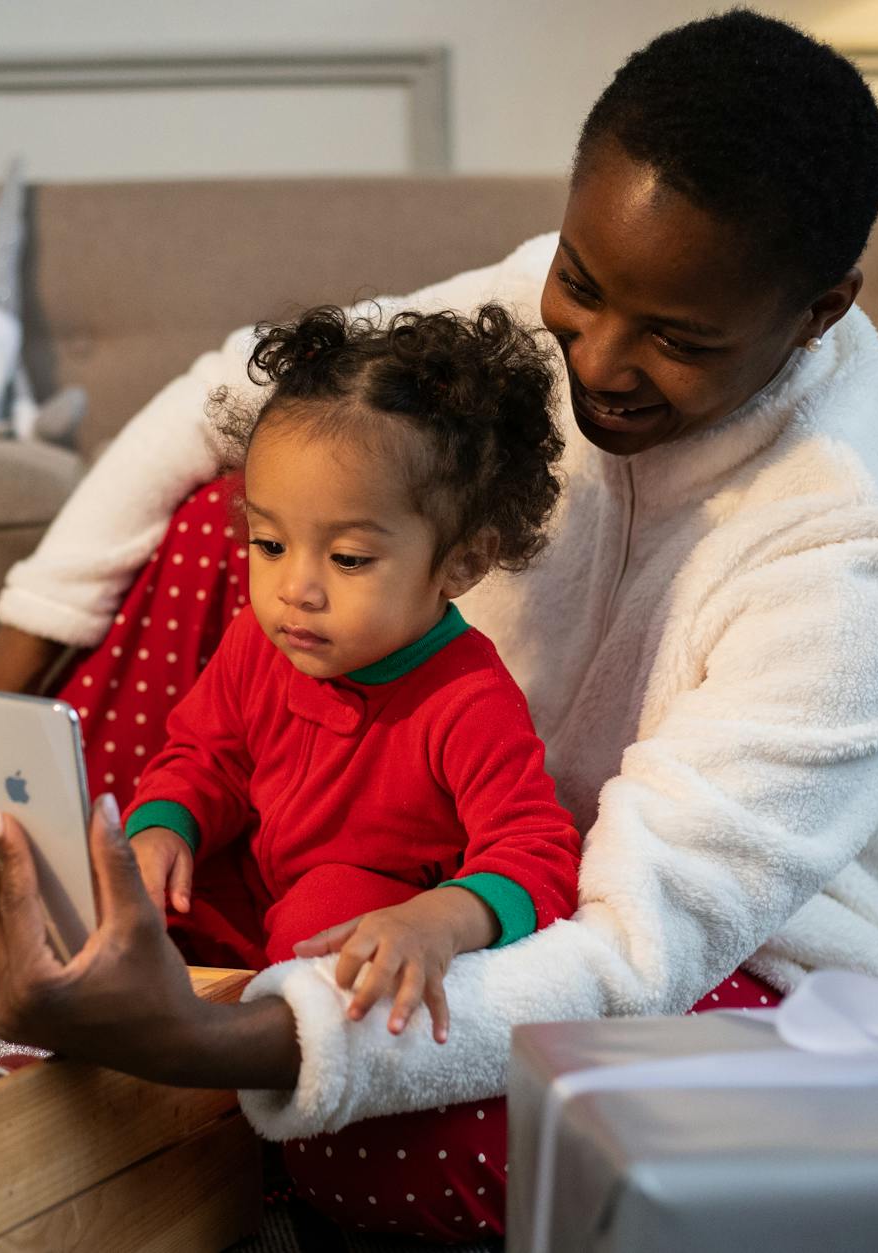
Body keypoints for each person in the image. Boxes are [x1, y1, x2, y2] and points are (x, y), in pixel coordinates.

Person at [0, 9, 878, 1241]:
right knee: (253, 506)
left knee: (416, 1126)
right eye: (581, 285)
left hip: (760, 986)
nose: (598, 359)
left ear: (816, 311)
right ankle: (74, 982)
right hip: (435, 857)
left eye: (678, 340)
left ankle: (185, 1082)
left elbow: (638, 948)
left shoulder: (871, 540)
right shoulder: (535, 303)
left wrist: (213, 1036)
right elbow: (228, 395)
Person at [127, 304, 582, 1040]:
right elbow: (204, 757)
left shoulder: (466, 698)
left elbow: (542, 854)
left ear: (462, 563)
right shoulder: (262, 639)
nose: (295, 588)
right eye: (269, 543)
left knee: (325, 905)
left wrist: (439, 919)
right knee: (137, 891)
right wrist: (162, 830)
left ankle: (252, 1062)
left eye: (348, 559)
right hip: (253, 904)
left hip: (359, 932)